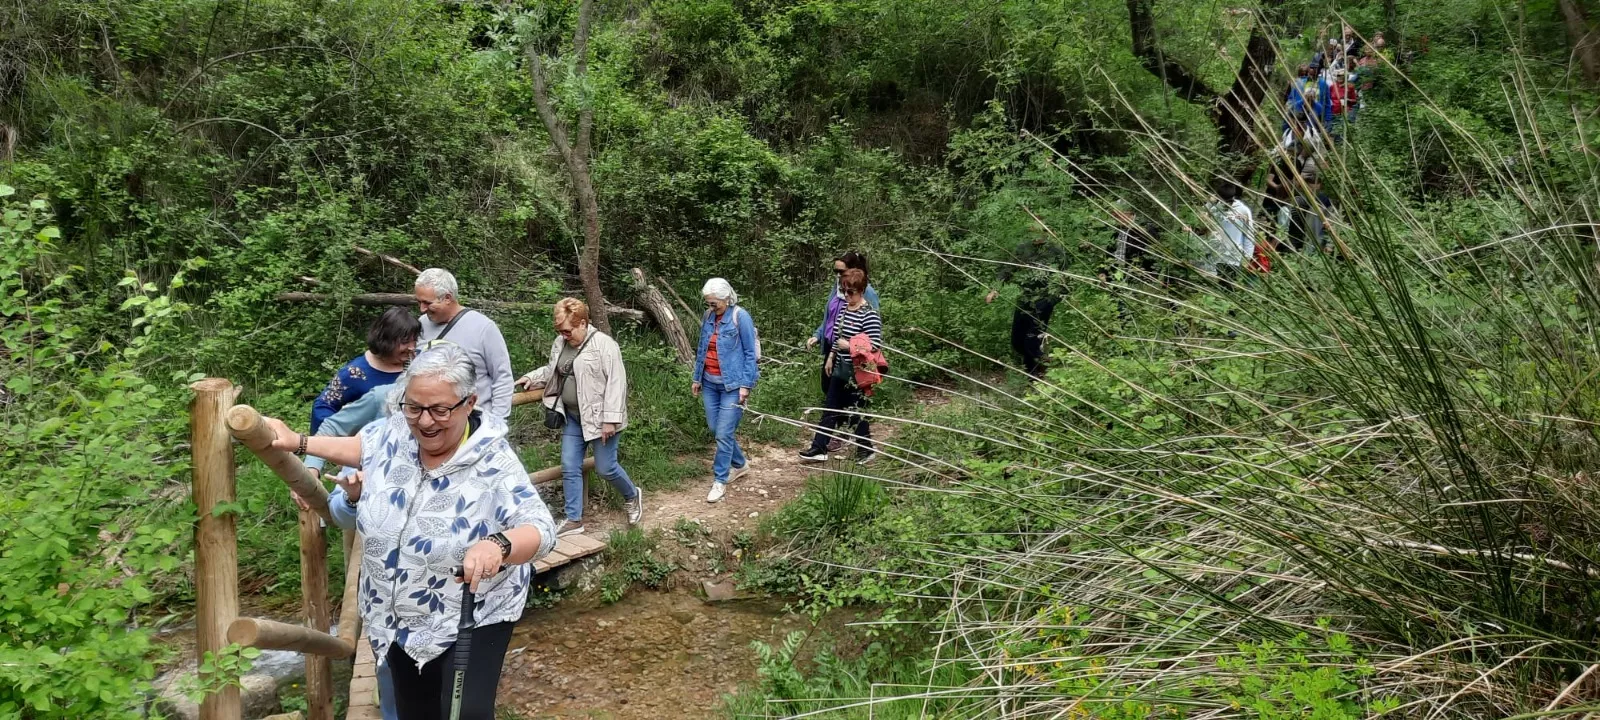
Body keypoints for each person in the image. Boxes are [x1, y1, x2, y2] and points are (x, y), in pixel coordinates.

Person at [260, 345, 556, 720]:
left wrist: (498, 544)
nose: (425, 421)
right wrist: (298, 442)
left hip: (470, 615)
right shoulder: (396, 431)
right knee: (415, 711)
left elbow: (541, 528)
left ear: (469, 403)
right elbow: (361, 446)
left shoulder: (494, 461)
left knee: (465, 715)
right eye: (414, 407)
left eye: (440, 410)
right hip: (393, 615)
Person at [514, 298, 641, 536]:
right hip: (572, 416)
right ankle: (574, 518)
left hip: (601, 418)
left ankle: (632, 495)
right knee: (570, 466)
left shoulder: (605, 345)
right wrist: (532, 378)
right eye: (560, 331)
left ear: (582, 323)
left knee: (606, 468)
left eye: (568, 331)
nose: (563, 335)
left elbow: (617, 383)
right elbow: (555, 369)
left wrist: (610, 420)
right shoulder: (560, 343)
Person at [800, 269, 883, 464]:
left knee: (855, 411)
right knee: (830, 407)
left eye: (851, 292)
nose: (847, 296)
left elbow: (875, 345)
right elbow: (838, 338)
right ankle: (819, 448)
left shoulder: (869, 314)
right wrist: (831, 357)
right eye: (844, 291)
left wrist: (852, 345)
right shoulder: (845, 310)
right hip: (840, 368)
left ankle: (866, 449)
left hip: (858, 372)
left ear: (862, 291)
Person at [413, 268, 515, 421]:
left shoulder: (483, 328)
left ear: (448, 298)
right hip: (429, 423)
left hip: (475, 422)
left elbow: (502, 377)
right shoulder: (421, 324)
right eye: (419, 302)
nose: (422, 309)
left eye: (427, 303)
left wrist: (498, 421)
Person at [692, 278, 759, 503]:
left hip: (733, 385)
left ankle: (719, 480)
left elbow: (750, 353)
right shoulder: (708, 317)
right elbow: (702, 347)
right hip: (709, 383)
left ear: (726, 299)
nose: (711, 307)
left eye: (714, 303)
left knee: (723, 433)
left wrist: (746, 385)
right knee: (716, 429)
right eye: (708, 303)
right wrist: (696, 378)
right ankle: (740, 464)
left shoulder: (741, 317)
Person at [310, 307, 418, 434]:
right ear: (386, 340)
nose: (412, 347)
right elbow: (323, 406)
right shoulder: (355, 373)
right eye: (405, 342)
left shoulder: (418, 364)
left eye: (414, 340)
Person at [984, 233, 1068, 377]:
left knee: (1032, 339)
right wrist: (995, 289)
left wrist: (1052, 300)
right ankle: (1040, 362)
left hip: (1044, 300)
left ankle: (1033, 376)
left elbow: (1067, 280)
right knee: (1017, 340)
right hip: (1025, 298)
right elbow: (1008, 269)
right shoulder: (1024, 249)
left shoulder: (1056, 251)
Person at [808, 251, 880, 394]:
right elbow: (831, 318)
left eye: (841, 271)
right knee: (828, 387)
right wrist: (818, 335)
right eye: (835, 271)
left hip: (853, 354)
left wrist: (853, 346)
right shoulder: (838, 289)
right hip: (834, 346)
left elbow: (872, 326)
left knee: (851, 392)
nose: (838, 275)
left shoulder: (866, 292)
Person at [1205, 183, 1254, 283]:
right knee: (1218, 284)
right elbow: (1203, 221)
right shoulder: (1214, 209)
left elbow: (1249, 233)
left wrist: (1248, 255)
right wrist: (1209, 203)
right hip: (1216, 252)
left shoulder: (1243, 210)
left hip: (1234, 254)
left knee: (1229, 283)